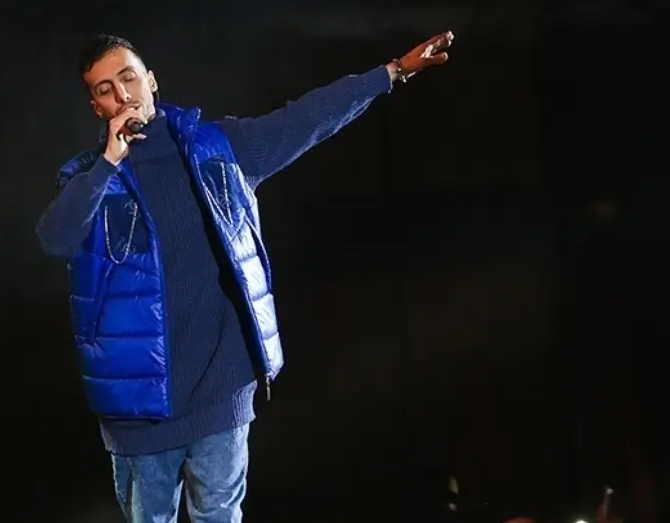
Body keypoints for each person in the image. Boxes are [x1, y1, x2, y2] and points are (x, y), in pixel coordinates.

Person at [35, 31, 453, 522]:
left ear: (151, 80)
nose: (122, 94)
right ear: (96, 106)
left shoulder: (219, 148)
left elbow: (305, 120)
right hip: (140, 407)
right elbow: (55, 238)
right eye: (106, 89)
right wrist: (109, 162)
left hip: (220, 387)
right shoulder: (88, 178)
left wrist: (392, 72)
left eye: (129, 78)